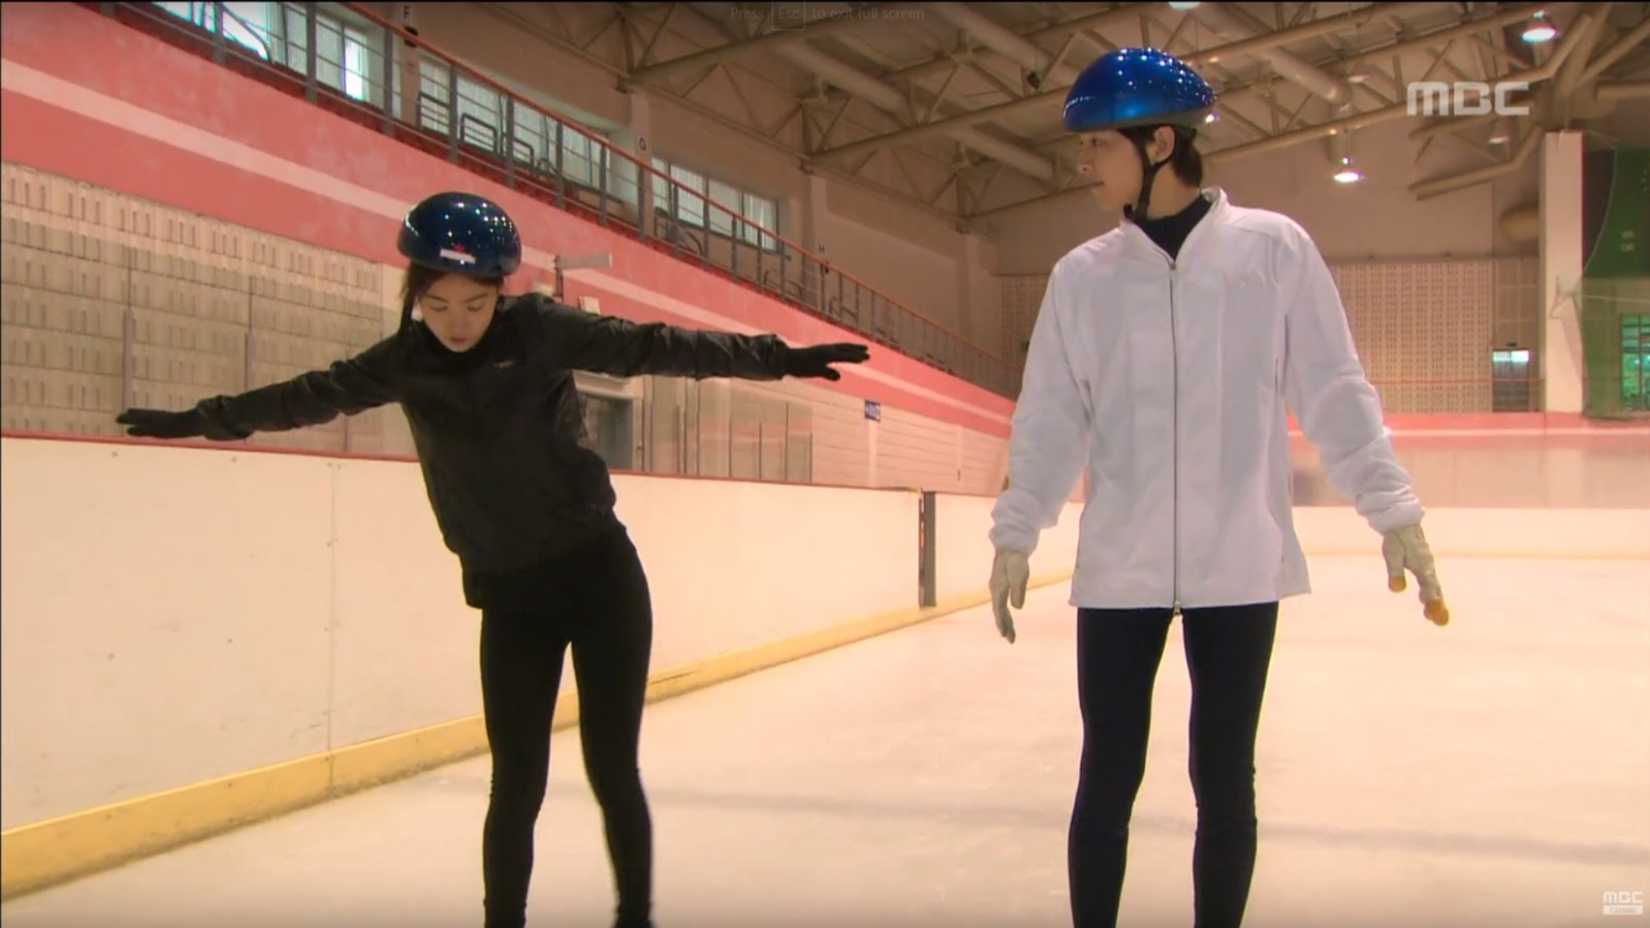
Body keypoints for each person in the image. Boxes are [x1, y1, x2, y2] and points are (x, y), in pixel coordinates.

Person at [116, 191, 870, 928]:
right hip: (511, 600)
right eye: (437, 306)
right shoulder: (403, 363)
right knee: (516, 785)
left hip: (600, 578)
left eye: (473, 306)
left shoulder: (540, 330)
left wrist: (779, 359)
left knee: (613, 772)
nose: (455, 324)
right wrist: (200, 419)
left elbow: (656, 347)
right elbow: (305, 397)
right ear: (416, 295)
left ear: (498, 293)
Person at [984, 49, 1449, 928]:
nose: (1083, 165)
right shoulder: (1082, 277)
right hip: (1120, 569)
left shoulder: (1272, 252)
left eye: (1097, 147)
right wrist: (1019, 529)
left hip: (1238, 563)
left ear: (1160, 142)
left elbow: (1334, 390)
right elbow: (1049, 416)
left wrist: (1394, 512)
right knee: (1107, 774)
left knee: (1223, 778)